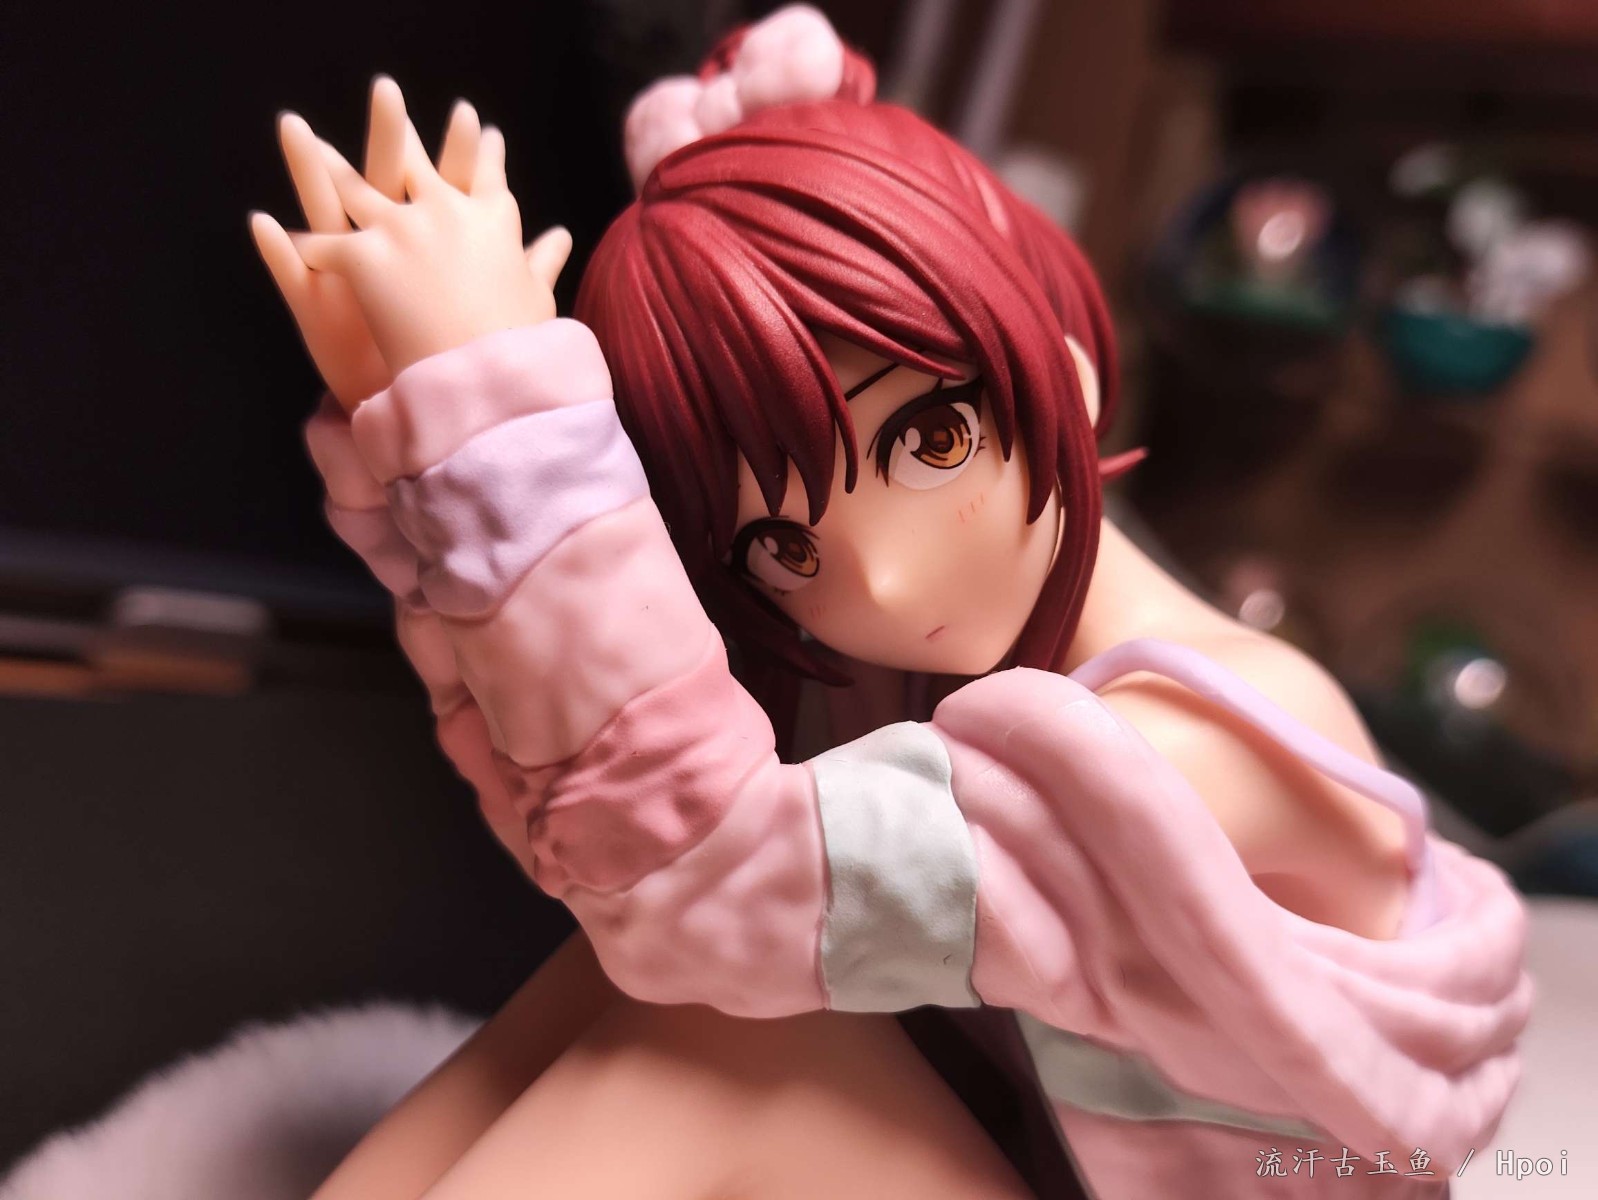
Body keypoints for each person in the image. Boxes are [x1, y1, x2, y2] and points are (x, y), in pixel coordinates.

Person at [253, 8, 1529, 1197]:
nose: (885, 582)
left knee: (734, 1035)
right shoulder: (929, 690)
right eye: (780, 543)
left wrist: (495, 430)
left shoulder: (1206, 732)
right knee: (673, 987)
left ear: (1061, 366)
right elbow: (600, 847)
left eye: (930, 440)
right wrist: (420, 452)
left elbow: (703, 890)